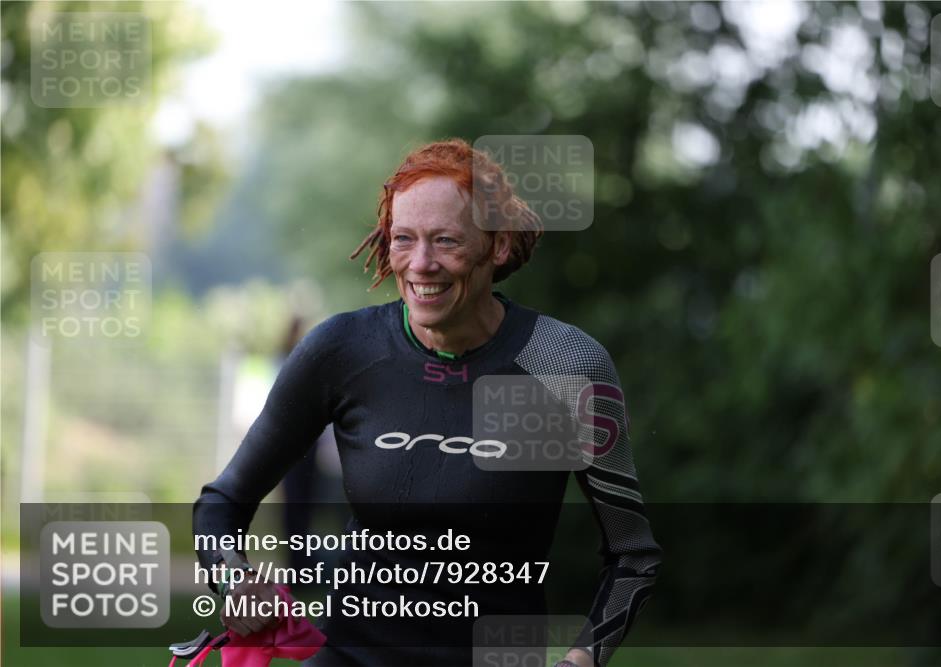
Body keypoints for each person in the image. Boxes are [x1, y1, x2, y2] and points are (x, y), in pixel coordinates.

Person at [193, 139, 662, 667]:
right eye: (404, 239)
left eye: (446, 241)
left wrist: (582, 660)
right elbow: (223, 501)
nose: (421, 264)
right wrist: (234, 579)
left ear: (497, 246)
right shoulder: (344, 351)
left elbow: (633, 556)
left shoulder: (562, 364)